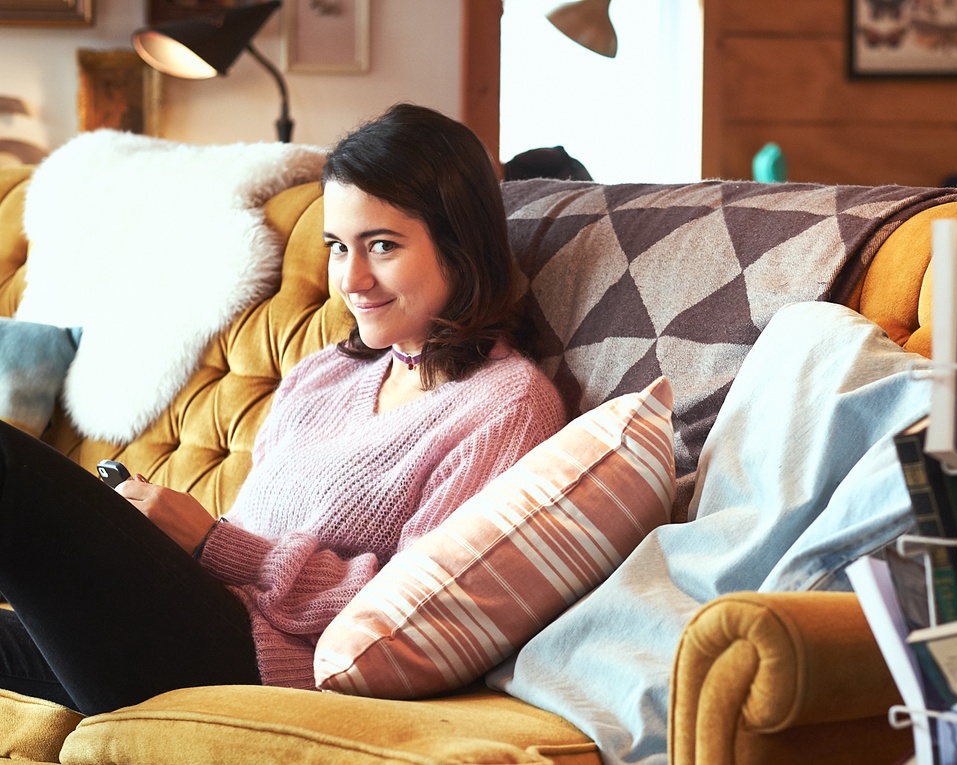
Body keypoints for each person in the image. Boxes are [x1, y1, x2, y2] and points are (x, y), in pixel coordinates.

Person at [0, 103, 566, 715]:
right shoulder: (324, 374)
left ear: (461, 244)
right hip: (192, 618)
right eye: (337, 247)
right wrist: (167, 538)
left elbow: (417, 610)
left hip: (262, 666)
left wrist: (213, 543)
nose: (352, 280)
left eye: (381, 245)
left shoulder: (506, 407)